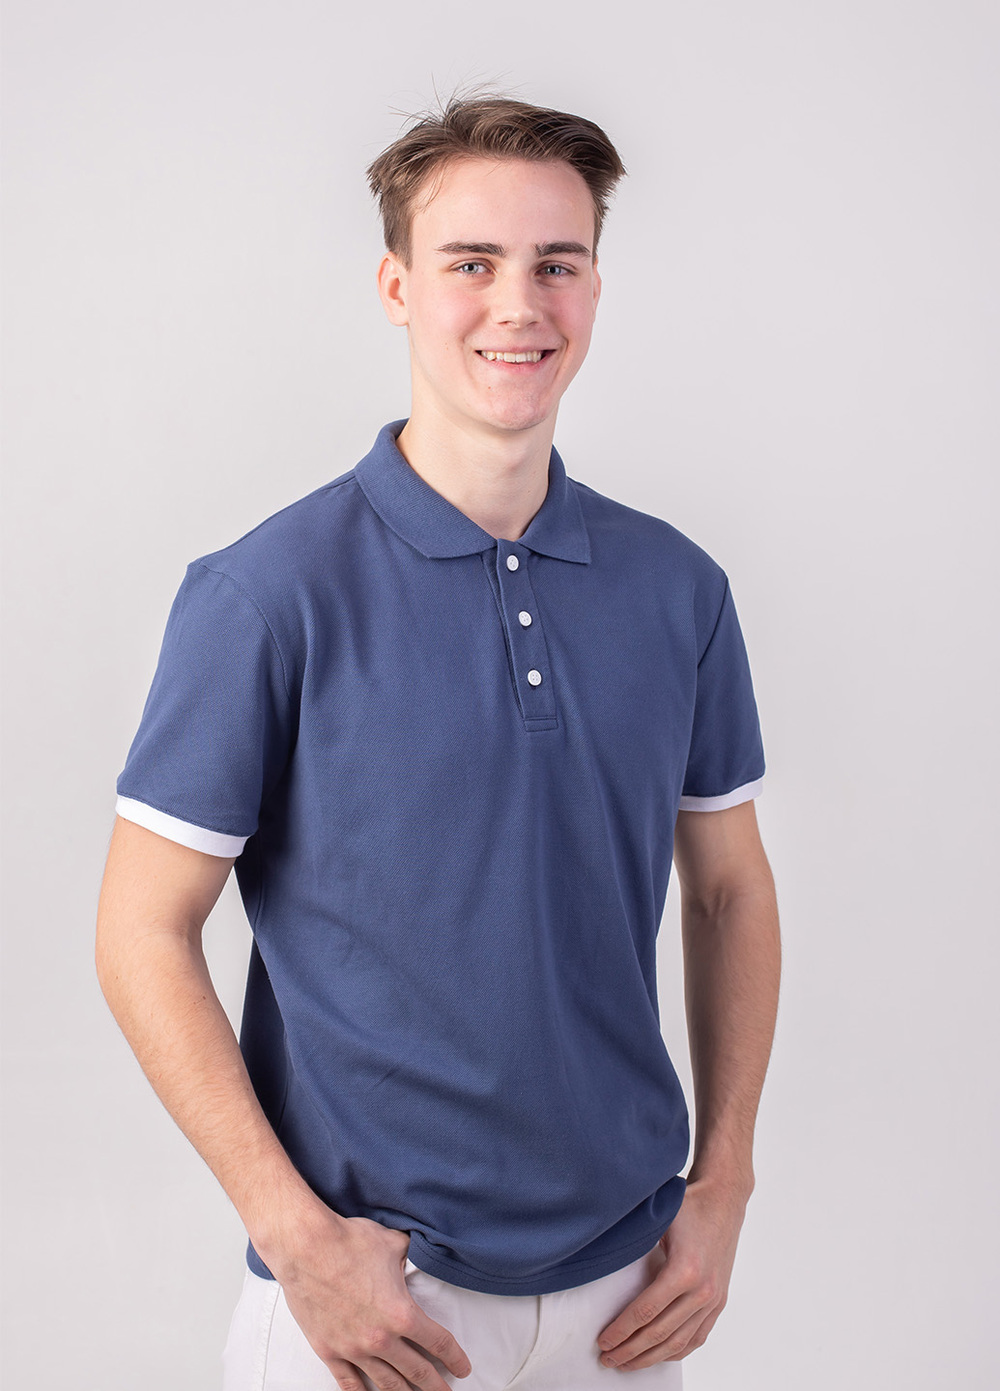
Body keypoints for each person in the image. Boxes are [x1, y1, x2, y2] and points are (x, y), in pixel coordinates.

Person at [96, 94, 781, 1391]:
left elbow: (731, 891)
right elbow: (139, 929)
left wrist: (726, 1184)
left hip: (630, 1306)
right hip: (371, 1310)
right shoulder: (267, 596)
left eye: (557, 263)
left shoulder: (677, 589)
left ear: (595, 288)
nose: (519, 304)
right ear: (397, 287)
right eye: (472, 262)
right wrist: (294, 1237)